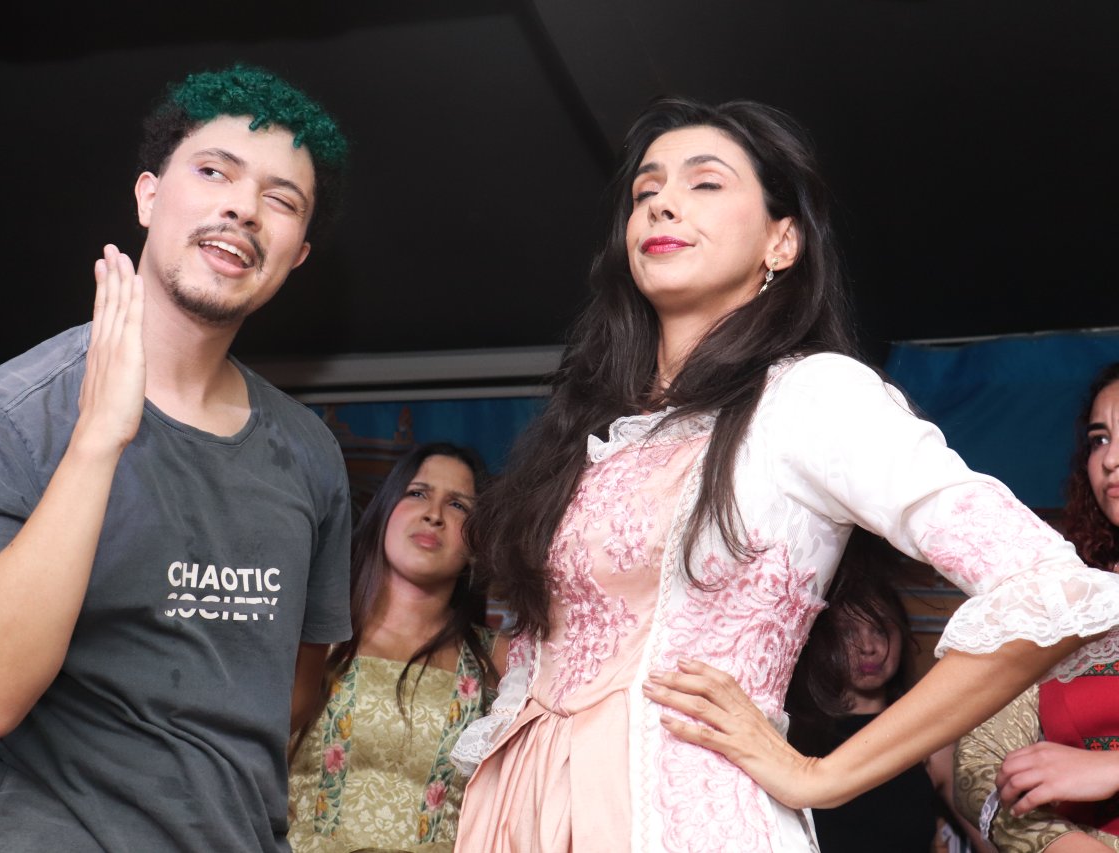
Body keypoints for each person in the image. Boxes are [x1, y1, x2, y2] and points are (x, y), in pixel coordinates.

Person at [451, 96, 1119, 852]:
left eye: (705, 182)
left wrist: (821, 775)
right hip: (525, 812)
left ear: (782, 241)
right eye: (646, 190)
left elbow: (1051, 588)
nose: (663, 202)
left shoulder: (809, 397)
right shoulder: (590, 432)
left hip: (680, 819)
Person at [0, 64, 353, 852]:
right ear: (149, 197)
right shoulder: (10, 414)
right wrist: (98, 440)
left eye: (283, 200)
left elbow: (289, 690)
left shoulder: (310, 453)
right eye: (214, 170)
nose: (244, 207)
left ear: (297, 254)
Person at [288, 443, 506, 852]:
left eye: (457, 505)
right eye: (417, 493)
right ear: (384, 511)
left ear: (477, 543)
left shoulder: (500, 659)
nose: (433, 514)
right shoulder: (311, 634)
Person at [954, 363, 1119, 853]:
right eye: (1100, 439)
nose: (1111, 459)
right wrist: (1058, 843)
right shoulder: (1066, 594)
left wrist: (1111, 768)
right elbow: (979, 761)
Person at [786, 531, 990, 853]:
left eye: (880, 630)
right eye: (848, 633)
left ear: (902, 636)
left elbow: (994, 841)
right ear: (824, 642)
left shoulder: (930, 741)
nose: (868, 647)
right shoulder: (793, 737)